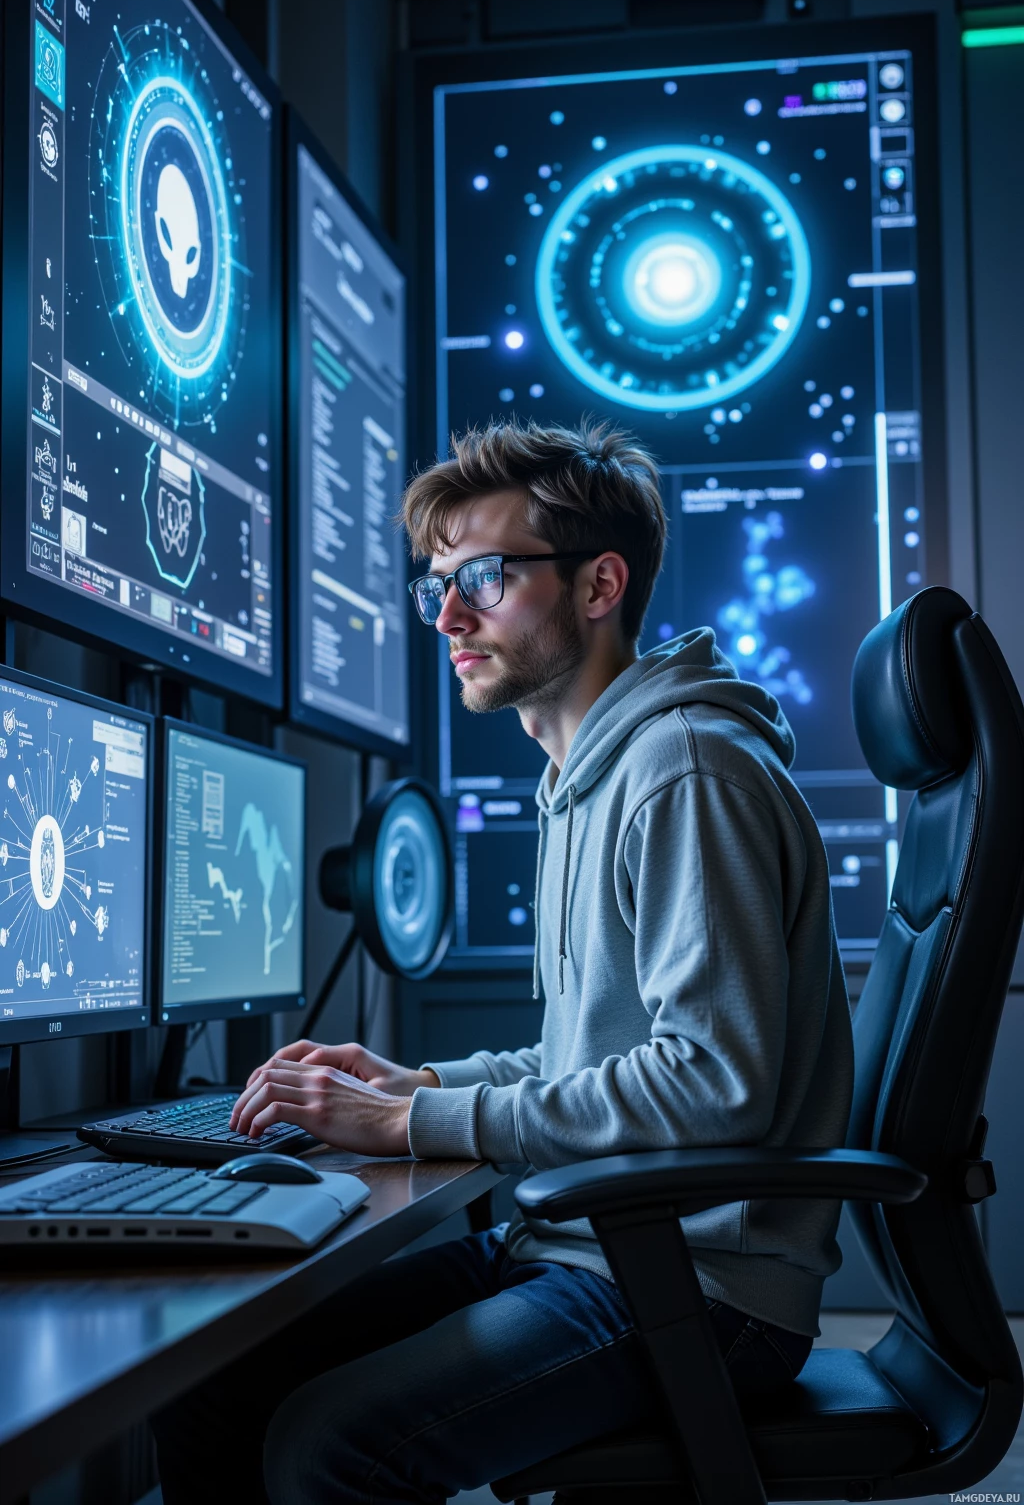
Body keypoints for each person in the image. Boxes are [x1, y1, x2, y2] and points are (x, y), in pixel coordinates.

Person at [153, 418, 854, 1505]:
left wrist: (414, 1129)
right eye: (438, 582)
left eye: (484, 576)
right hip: (592, 1242)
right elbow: (601, 1054)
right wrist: (419, 1085)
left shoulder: (682, 771)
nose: (448, 616)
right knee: (213, 1377)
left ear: (597, 584)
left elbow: (712, 1083)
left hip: (694, 1286)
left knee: (329, 1447)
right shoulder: (584, 776)